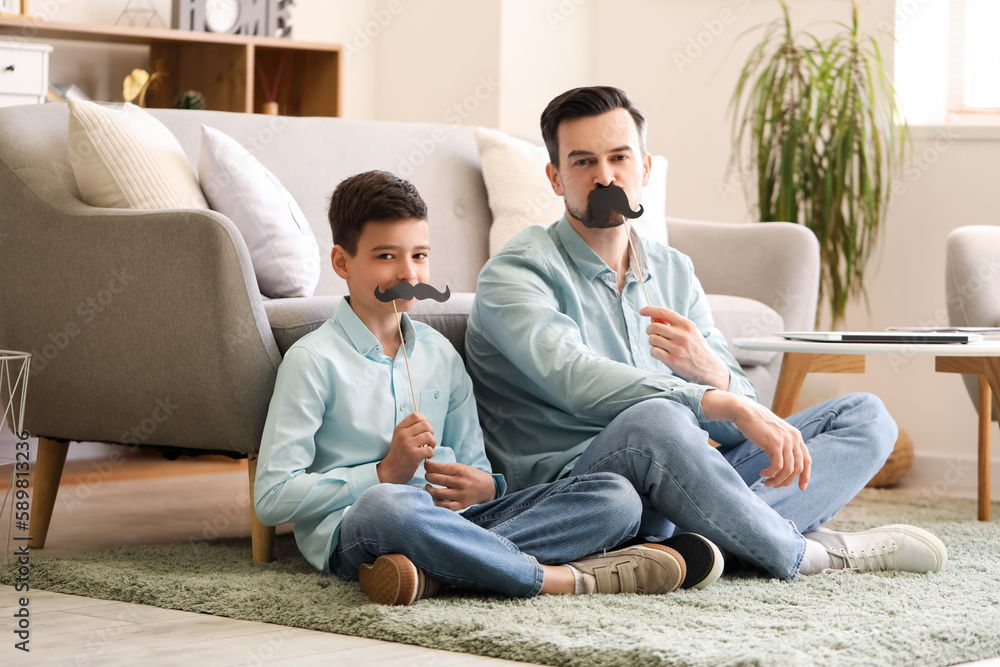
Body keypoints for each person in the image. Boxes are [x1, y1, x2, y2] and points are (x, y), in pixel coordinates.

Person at [465, 86, 947, 580]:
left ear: (645, 168)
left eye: (619, 157)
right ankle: (803, 552)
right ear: (555, 177)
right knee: (657, 418)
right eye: (583, 161)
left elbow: (732, 426)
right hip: (588, 491)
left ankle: (712, 538)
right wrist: (717, 400)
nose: (604, 176)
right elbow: (574, 377)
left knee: (865, 416)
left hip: (685, 480)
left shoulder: (674, 271)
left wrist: (713, 374)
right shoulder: (516, 274)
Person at [253, 169, 701, 607]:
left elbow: (477, 467)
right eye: (386, 257)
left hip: (462, 521)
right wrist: (383, 473)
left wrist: (485, 487)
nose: (408, 272)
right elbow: (272, 499)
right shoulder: (312, 361)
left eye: (420, 255)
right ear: (341, 262)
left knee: (616, 497)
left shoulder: (441, 355)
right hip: (366, 527)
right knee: (386, 505)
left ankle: (435, 570)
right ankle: (555, 579)